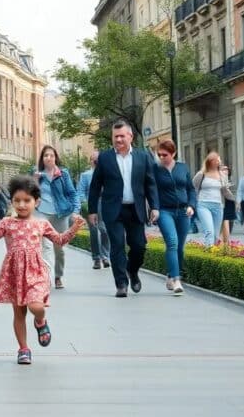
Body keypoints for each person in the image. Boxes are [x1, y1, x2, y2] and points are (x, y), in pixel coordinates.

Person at [0, 175, 86, 365]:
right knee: (19, 313)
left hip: (36, 272)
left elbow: (60, 240)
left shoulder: (42, 223)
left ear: (36, 202)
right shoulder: (6, 223)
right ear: (12, 201)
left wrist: (75, 227)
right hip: (14, 273)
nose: (21, 205)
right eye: (17, 200)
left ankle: (40, 321)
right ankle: (23, 349)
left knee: (36, 306)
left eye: (27, 200)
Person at [87, 119, 159, 298]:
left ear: (130, 136)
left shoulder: (143, 157)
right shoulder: (105, 158)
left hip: (136, 210)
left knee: (139, 246)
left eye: (121, 136)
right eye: (115, 137)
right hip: (114, 210)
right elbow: (95, 186)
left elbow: (150, 184)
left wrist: (155, 207)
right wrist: (93, 210)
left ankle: (132, 270)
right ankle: (121, 284)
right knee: (117, 245)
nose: (118, 140)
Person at [152, 139, 195, 295]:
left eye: (165, 155)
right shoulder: (155, 169)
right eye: (159, 155)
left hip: (183, 211)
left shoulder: (183, 168)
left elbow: (191, 189)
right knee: (172, 242)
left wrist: (191, 205)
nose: (161, 157)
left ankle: (171, 274)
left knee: (180, 247)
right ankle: (177, 279)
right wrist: (154, 209)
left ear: (173, 153)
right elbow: (152, 191)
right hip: (165, 211)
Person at [33, 146, 79, 289]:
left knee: (59, 249)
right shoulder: (36, 173)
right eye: (45, 155)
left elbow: (72, 193)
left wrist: (75, 211)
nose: (48, 158)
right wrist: (35, 180)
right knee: (45, 246)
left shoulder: (63, 174)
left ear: (55, 158)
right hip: (41, 213)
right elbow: (29, 193)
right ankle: (46, 277)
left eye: (51, 155)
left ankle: (58, 275)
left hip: (60, 214)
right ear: (42, 158)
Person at [77, 151, 110, 269]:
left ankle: (105, 256)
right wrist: (84, 203)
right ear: (90, 161)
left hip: (104, 204)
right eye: (93, 159)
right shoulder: (85, 175)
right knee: (94, 231)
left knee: (104, 229)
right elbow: (80, 191)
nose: (95, 161)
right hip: (91, 204)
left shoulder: (107, 173)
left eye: (97, 159)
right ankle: (96, 258)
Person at [193, 153, 233, 247]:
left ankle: (212, 252)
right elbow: (193, 187)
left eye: (219, 160)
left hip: (218, 206)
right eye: (216, 160)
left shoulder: (222, 175)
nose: (218, 162)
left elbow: (224, 190)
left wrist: (234, 199)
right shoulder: (201, 174)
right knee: (209, 232)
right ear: (210, 162)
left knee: (215, 235)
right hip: (203, 205)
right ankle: (209, 251)